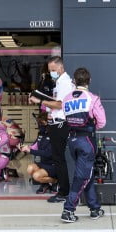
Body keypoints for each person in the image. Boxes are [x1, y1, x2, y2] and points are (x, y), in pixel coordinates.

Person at [60, 67, 107, 223]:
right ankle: (68, 210)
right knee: (81, 177)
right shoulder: (93, 98)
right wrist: (92, 128)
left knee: (87, 174)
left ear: (74, 81)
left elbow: (66, 117)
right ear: (89, 81)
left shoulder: (66, 98)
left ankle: (94, 208)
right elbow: (102, 122)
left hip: (72, 141)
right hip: (86, 141)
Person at [29, 56, 74, 203]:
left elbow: (60, 105)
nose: (51, 73)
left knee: (59, 159)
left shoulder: (65, 83)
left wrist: (40, 101)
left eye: (53, 70)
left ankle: (63, 191)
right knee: (58, 158)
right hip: (56, 122)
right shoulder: (59, 82)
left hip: (60, 124)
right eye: (50, 71)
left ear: (61, 68)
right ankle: (62, 189)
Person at [21, 114, 58, 194]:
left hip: (53, 165)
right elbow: (35, 146)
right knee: (30, 168)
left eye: (41, 123)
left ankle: (55, 181)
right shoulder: (41, 134)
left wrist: (30, 151)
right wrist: (26, 147)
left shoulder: (54, 135)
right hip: (43, 163)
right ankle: (45, 184)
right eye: (39, 123)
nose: (39, 125)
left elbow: (48, 153)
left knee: (36, 176)